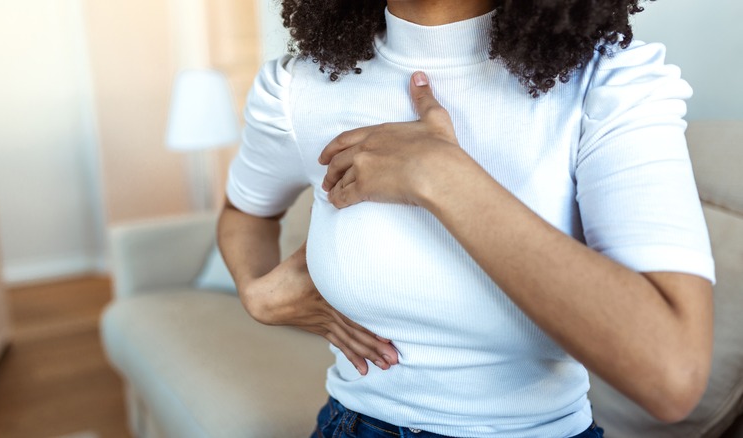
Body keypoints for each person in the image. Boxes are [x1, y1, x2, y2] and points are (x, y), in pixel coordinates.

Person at [217, 0, 715, 436]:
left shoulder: (609, 84)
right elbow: (245, 212)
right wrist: (256, 292)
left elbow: (671, 374)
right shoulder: (298, 88)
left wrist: (442, 177)